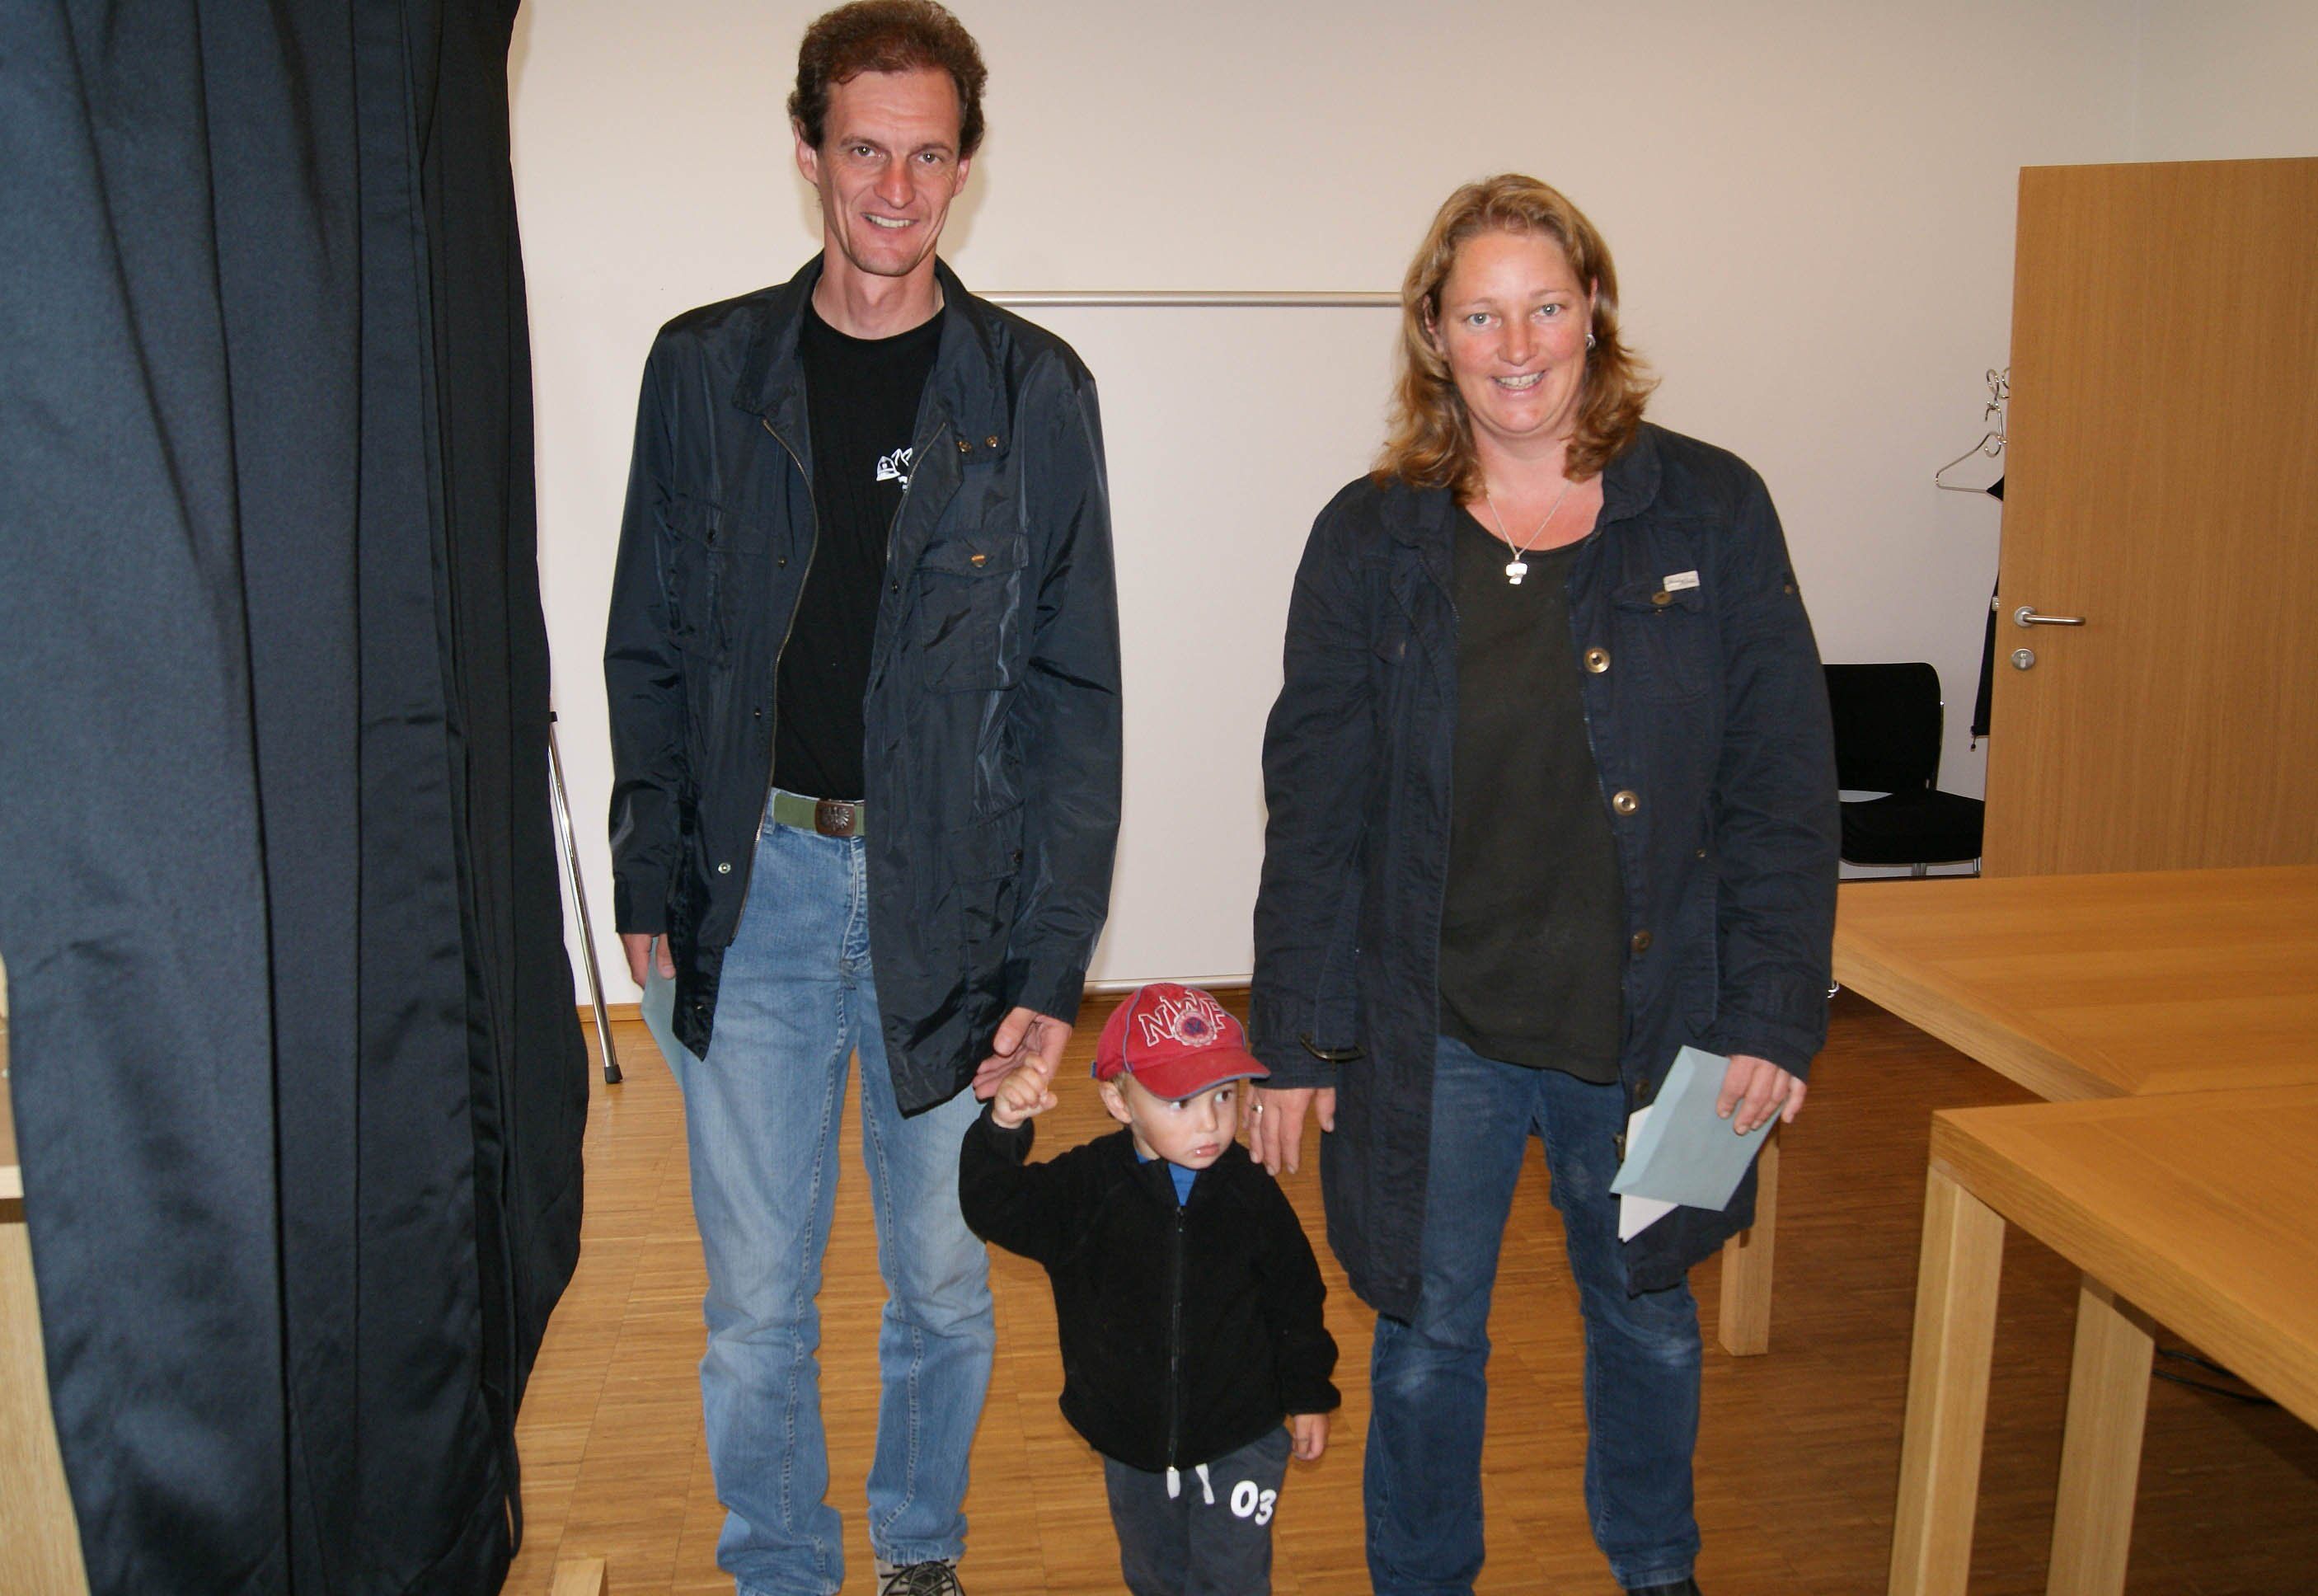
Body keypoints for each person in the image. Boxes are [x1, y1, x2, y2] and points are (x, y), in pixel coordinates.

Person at [1246, 174, 1838, 1596]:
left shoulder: (1711, 509)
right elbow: (1315, 810)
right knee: (1428, 1335)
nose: (1516, 346)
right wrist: (1295, 1038)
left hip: (1666, 1024)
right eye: (1480, 315)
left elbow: (1780, 786)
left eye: (1545, 308)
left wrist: (1770, 1014)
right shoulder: (1368, 538)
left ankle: (1655, 1566)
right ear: (1433, 335)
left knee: (1648, 1315)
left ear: (1593, 313)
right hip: (1434, 1029)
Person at [601, 3, 1121, 1591]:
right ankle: (779, 1566)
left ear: (965, 165)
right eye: (864, 150)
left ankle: (919, 1556)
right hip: (747, 893)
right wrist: (646, 866)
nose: (896, 189)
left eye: (928, 154)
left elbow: (1073, 694)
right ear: (809, 152)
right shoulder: (703, 370)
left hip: (950, 908)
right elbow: (648, 639)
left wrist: (1050, 962)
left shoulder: (1035, 391)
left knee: (945, 1288)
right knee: (756, 1304)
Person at [960, 983, 1340, 1596]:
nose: (1210, 1122)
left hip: (1243, 1433)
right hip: (1132, 1444)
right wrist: (1003, 1126)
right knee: (1154, 1575)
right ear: (1119, 1100)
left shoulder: (1250, 1192)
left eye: (1224, 1095)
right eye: (1180, 1101)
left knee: (1233, 1578)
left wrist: (1308, 1393)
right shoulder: (1088, 1189)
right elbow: (993, 1206)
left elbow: (1296, 1296)